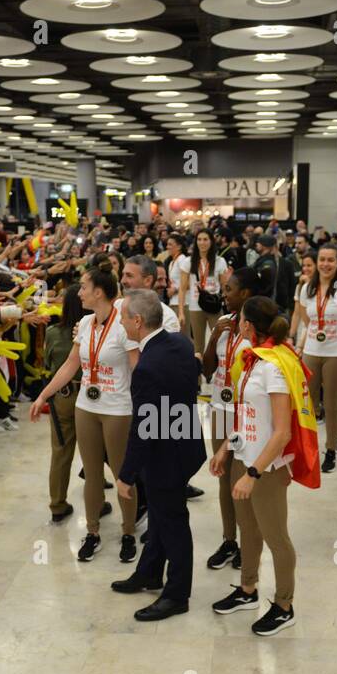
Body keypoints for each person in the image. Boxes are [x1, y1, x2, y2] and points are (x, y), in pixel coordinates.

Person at [29, 268, 138, 562]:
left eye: (84, 288)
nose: (79, 293)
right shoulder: (86, 323)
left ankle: (128, 533)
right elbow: (70, 364)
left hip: (118, 408)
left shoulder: (124, 326)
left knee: (122, 475)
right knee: (91, 474)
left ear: (99, 292)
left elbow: (138, 369)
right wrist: (43, 395)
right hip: (86, 407)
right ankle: (93, 533)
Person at [110, 289, 206, 620]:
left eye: (123, 316)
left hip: (165, 455)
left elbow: (144, 428)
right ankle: (149, 572)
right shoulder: (180, 343)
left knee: (173, 522)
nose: (120, 322)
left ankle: (177, 594)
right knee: (163, 516)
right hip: (186, 443)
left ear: (137, 322)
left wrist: (126, 475)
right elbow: (194, 376)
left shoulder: (147, 366)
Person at [209, 297, 301, 636]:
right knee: (248, 530)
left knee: (277, 538)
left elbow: (281, 432)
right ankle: (248, 590)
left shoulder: (274, 367)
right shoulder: (250, 362)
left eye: (240, 320)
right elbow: (246, 416)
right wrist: (225, 448)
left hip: (267, 468)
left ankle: (284, 606)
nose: (237, 324)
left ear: (248, 326)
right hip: (244, 457)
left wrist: (253, 474)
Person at [202, 267, 262, 571]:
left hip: (247, 415)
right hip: (220, 408)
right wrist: (215, 335)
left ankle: (248, 542)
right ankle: (229, 540)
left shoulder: (260, 331)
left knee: (243, 479)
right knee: (223, 477)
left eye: (229, 289)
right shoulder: (224, 324)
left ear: (246, 294)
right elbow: (207, 370)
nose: (224, 295)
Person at [294, 242, 337, 473]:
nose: (325, 264)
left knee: (333, 404)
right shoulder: (307, 289)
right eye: (321, 260)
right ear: (316, 263)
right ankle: (320, 442)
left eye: (330, 260)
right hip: (312, 351)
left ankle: (331, 449)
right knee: (309, 402)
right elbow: (307, 320)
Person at [43, 285, 85, 523]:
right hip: (91, 395)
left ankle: (57, 504)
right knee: (94, 454)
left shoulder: (52, 333)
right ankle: (96, 502)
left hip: (62, 395)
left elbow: (48, 362)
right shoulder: (94, 331)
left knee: (60, 453)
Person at [177, 229, 229, 357]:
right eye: (199, 239)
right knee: (198, 346)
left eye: (205, 239)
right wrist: (181, 312)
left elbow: (225, 286)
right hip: (195, 307)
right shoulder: (188, 262)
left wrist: (226, 304)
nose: (202, 242)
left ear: (211, 241)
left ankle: (217, 373)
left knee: (219, 342)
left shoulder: (219, 261)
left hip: (214, 306)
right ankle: (198, 375)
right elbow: (182, 289)